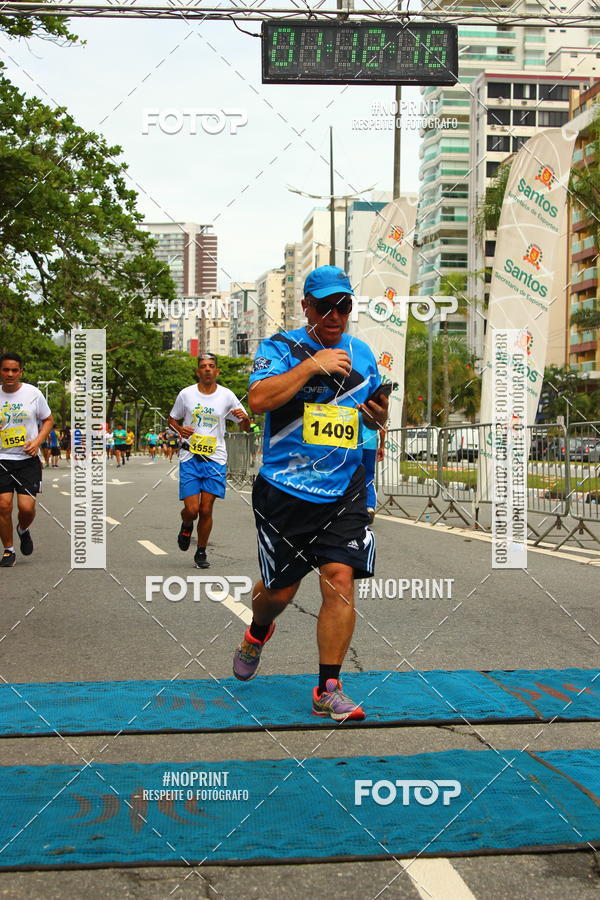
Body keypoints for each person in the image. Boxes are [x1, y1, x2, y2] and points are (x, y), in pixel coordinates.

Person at [232, 266, 388, 722]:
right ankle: (259, 630)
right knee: (279, 592)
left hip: (344, 489)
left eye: (344, 306)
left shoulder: (362, 354)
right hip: (285, 491)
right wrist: (310, 366)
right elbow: (258, 400)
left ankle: (328, 688)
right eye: (326, 307)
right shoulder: (279, 348)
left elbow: (373, 424)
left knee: (339, 578)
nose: (336, 315)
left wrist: (378, 417)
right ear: (306, 307)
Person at [169, 354, 250, 569]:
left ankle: (201, 552)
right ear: (197, 371)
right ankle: (186, 524)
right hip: (190, 457)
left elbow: (245, 426)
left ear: (217, 372)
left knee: (206, 509)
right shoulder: (186, 394)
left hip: (215, 459)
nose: (207, 370)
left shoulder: (227, 395)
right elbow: (172, 419)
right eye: (203, 366)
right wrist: (180, 429)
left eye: (211, 366)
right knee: (192, 510)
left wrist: (246, 419)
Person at [0, 353, 53, 567]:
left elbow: (48, 420)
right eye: (5, 370)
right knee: (3, 506)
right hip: (2, 459)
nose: (10, 374)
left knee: (26, 508)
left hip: (27, 460)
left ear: (21, 371)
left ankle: (22, 529)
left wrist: (38, 441)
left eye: (14, 370)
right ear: (0, 372)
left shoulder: (33, 393)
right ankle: (9, 550)